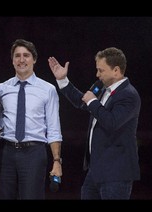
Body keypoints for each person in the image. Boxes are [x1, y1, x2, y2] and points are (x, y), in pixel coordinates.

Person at [48, 47, 141, 199]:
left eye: (101, 70)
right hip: (96, 170)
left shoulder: (129, 95)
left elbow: (111, 122)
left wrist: (93, 102)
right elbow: (83, 101)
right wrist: (63, 80)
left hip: (116, 172)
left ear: (116, 70)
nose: (97, 74)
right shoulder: (102, 87)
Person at [0, 39, 63, 199]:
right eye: (17, 56)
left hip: (34, 153)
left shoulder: (48, 89)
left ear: (34, 59)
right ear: (12, 61)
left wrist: (57, 161)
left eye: (26, 55)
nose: (21, 60)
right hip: (6, 153)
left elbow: (54, 128)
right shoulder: (1, 88)